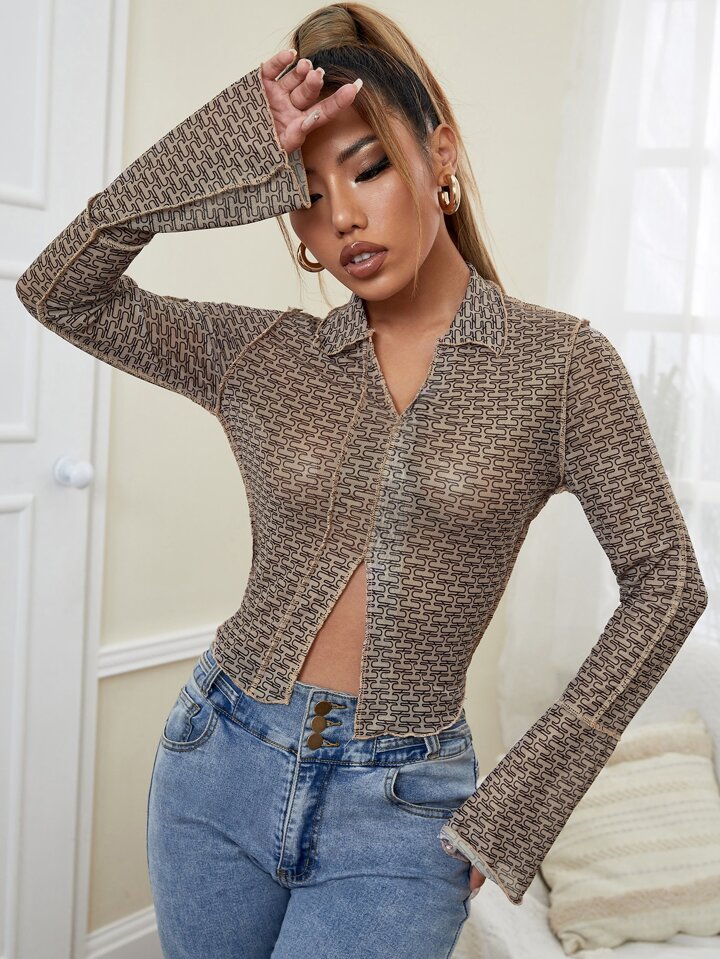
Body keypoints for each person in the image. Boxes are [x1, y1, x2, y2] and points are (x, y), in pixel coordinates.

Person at [15, 3, 708, 958]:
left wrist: (522, 803)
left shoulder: (559, 368)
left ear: (441, 155)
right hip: (218, 762)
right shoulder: (268, 354)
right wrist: (226, 143)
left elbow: (668, 581)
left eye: (369, 168)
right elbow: (58, 289)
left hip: (402, 808)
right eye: (304, 191)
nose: (340, 216)